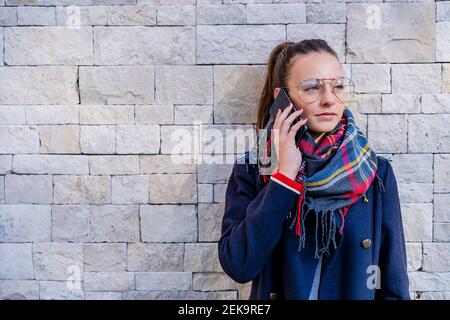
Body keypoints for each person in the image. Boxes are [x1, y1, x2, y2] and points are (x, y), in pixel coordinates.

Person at [218, 39, 410, 300]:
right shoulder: (255, 169)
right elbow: (239, 264)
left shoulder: (375, 173)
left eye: (338, 86)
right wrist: (283, 178)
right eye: (312, 88)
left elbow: (393, 283)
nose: (329, 100)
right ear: (282, 100)